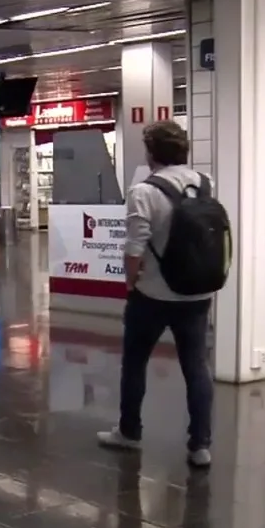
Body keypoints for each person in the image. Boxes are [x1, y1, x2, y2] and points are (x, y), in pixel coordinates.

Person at [97, 121, 213, 468]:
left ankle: (129, 431)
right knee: (196, 366)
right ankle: (200, 445)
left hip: (152, 295)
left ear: (151, 153)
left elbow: (134, 249)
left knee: (135, 362)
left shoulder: (143, 192)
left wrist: (131, 283)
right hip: (195, 292)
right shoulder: (205, 184)